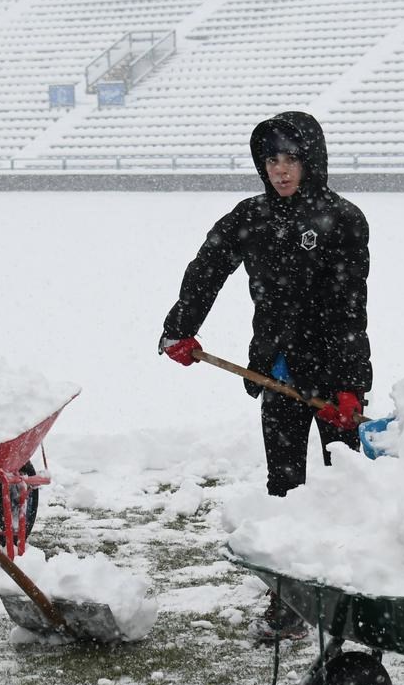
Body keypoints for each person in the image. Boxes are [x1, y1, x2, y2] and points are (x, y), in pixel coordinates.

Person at [157, 111, 372, 641]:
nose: (280, 170)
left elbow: (351, 307)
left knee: (348, 487)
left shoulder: (342, 219)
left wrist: (351, 384)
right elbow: (207, 269)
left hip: (333, 373)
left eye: (291, 159)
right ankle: (290, 601)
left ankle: (361, 586)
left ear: (311, 161)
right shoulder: (248, 217)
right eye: (271, 160)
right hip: (277, 369)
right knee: (284, 486)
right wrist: (178, 328)